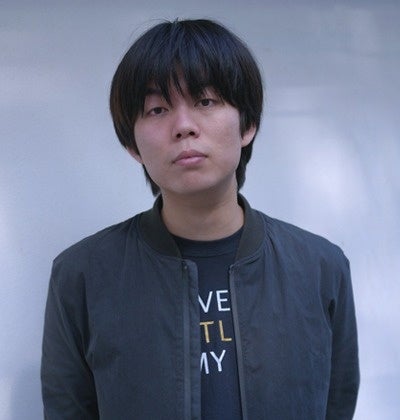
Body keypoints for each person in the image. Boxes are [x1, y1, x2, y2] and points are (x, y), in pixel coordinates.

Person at [41, 19, 359, 419]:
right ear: (132, 145)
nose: (184, 127)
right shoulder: (82, 276)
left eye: (205, 101)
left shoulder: (321, 267)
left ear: (247, 124)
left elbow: (337, 403)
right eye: (158, 109)